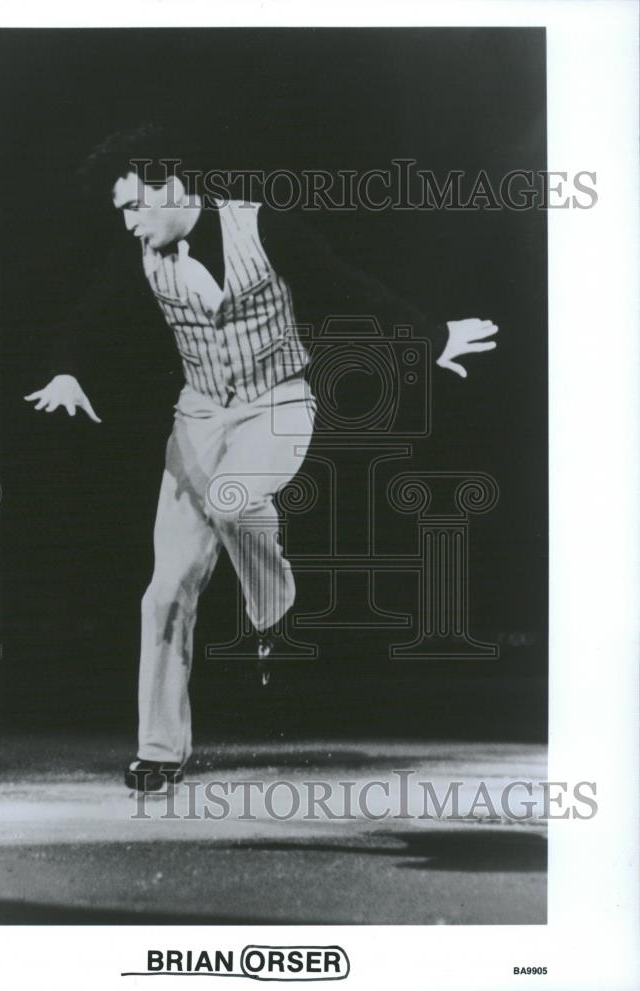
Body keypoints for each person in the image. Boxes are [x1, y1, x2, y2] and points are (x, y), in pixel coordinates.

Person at [24, 125, 499, 793]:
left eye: (134, 205)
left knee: (235, 497)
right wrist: (68, 372)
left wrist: (434, 335)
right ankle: (159, 749)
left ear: (170, 187)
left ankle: (273, 605)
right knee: (166, 588)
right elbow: (80, 320)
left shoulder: (262, 226)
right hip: (197, 419)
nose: (128, 223)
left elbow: (348, 284)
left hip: (276, 405)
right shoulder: (139, 256)